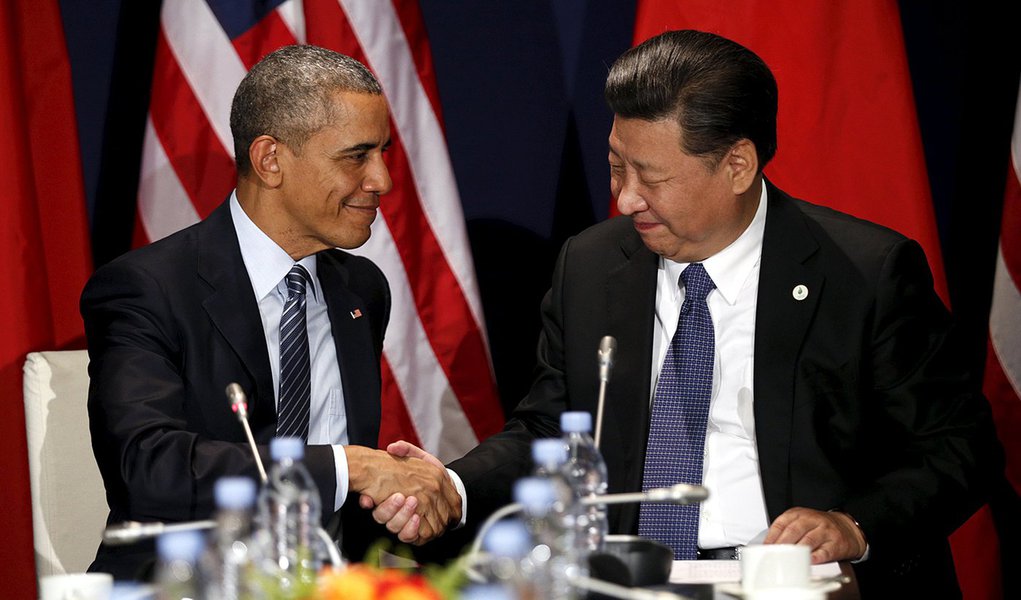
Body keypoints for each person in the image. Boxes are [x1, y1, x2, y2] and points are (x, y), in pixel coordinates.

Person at [381, 30, 1003, 596]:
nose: (625, 198)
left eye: (650, 177)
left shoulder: (865, 273)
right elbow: (551, 429)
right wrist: (454, 485)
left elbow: (958, 449)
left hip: (790, 585)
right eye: (616, 167)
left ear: (737, 164)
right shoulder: (592, 265)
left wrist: (852, 524)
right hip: (627, 580)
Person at [81, 45, 460, 580]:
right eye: (357, 155)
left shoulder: (362, 290)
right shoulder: (148, 288)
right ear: (270, 160)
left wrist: (404, 502)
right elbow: (149, 467)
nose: (383, 180)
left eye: (384, 153)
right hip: (186, 582)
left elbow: (339, 508)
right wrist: (348, 467)